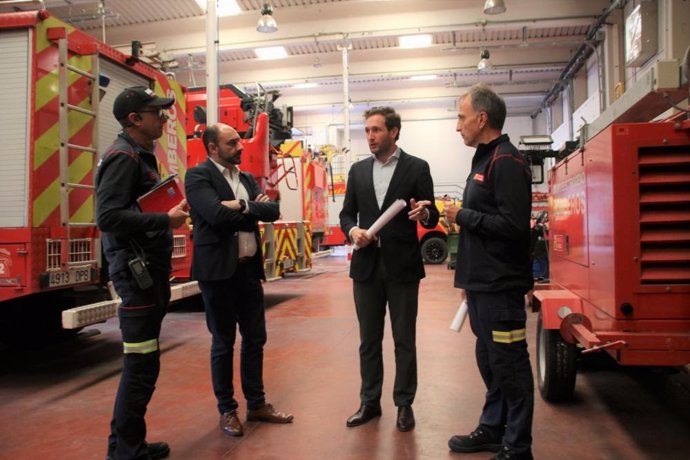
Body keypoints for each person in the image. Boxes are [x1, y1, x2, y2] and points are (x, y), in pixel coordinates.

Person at [96, 86, 189, 460]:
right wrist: (163, 220)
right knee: (140, 364)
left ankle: (127, 444)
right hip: (136, 278)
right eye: (156, 112)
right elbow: (107, 217)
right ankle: (125, 452)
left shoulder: (139, 155)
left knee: (144, 363)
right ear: (134, 119)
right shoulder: (123, 157)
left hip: (146, 275)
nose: (163, 117)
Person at [184, 122, 293, 438]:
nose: (241, 147)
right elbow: (214, 215)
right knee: (223, 342)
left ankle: (256, 404)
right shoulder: (198, 176)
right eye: (232, 143)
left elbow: (272, 210)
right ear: (213, 148)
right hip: (217, 273)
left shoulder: (245, 178)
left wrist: (243, 204)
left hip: (247, 270)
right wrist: (251, 209)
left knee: (256, 338)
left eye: (239, 141)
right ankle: (227, 410)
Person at [444, 84, 534, 460]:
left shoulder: (507, 161)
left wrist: (462, 216)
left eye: (462, 117)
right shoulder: (483, 159)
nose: (457, 126)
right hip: (482, 285)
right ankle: (493, 428)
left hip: (501, 286)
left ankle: (518, 446)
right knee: (491, 361)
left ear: (482, 119)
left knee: (510, 363)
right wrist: (468, 282)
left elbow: (514, 226)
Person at [340, 106, 439, 432]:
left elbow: (432, 213)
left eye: (377, 130)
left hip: (402, 267)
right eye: (367, 130)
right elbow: (346, 214)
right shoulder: (357, 171)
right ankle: (369, 402)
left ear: (394, 132)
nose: (370, 136)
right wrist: (353, 232)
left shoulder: (416, 167)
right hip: (366, 267)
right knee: (368, 340)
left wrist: (423, 216)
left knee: (404, 339)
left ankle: (404, 404)